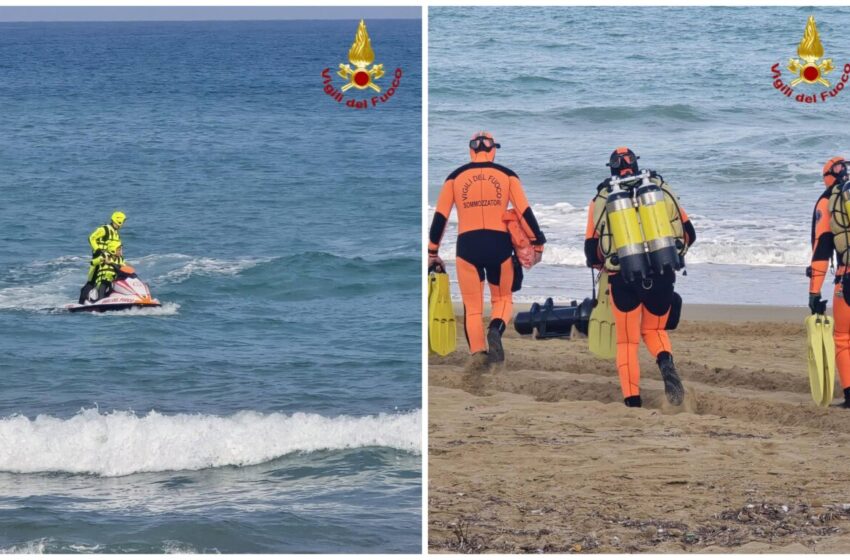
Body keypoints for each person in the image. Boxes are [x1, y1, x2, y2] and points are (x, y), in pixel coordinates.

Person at [584, 147, 696, 407]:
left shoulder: (601, 198)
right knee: (654, 329)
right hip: (662, 271)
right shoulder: (658, 188)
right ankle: (665, 361)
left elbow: (591, 252)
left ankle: (632, 401)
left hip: (623, 278)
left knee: (626, 341)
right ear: (636, 165)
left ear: (611, 169)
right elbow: (689, 232)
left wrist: (607, 264)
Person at [428, 132, 546, 366]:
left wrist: (432, 252)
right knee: (502, 299)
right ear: (493, 150)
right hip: (498, 245)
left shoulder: (454, 178)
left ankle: (479, 357)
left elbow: (440, 217)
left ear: (471, 150)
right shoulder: (507, 175)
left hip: (467, 247)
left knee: (472, 307)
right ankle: (495, 328)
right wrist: (537, 242)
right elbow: (524, 212)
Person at [808, 156, 850, 408]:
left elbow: (822, 251)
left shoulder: (828, 202)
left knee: (843, 337)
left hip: (847, 277)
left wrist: (814, 292)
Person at [79, 211, 126, 304]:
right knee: (92, 281)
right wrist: (98, 251)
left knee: (111, 280)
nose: (124, 224)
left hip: (110, 259)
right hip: (100, 259)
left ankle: (106, 299)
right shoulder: (105, 229)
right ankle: (80, 303)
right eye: (123, 221)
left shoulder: (116, 233)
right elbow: (91, 238)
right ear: (118, 220)